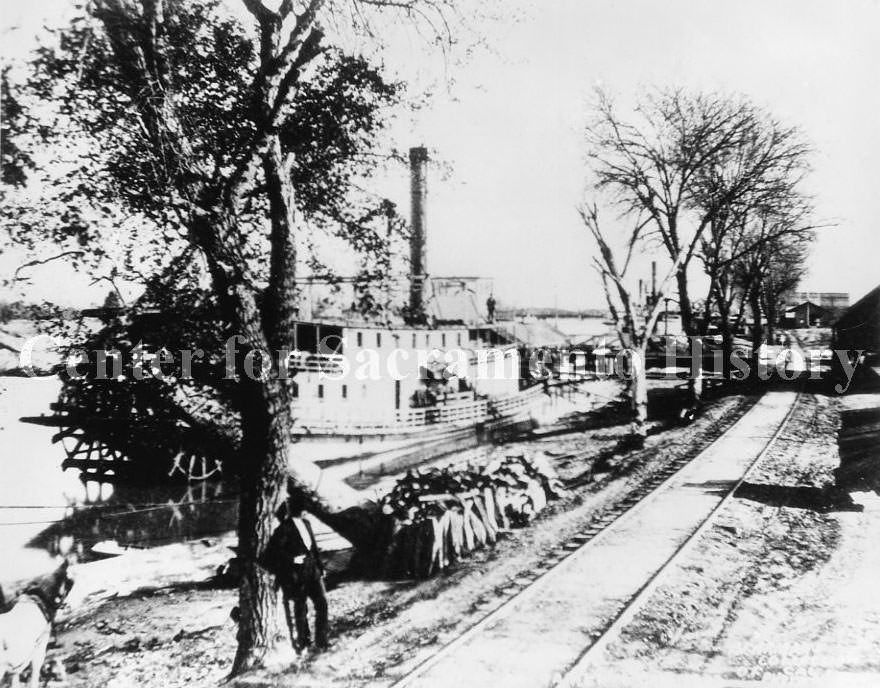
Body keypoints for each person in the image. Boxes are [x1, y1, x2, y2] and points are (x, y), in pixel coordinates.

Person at [260, 497, 329, 650]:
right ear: (293, 510)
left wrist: (320, 566)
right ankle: (304, 642)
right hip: (297, 575)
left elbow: (314, 547)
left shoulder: (307, 523)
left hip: (313, 572)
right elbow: (272, 553)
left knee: (322, 604)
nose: (304, 511)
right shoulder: (284, 528)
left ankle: (322, 641)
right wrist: (292, 559)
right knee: (301, 608)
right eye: (301, 508)